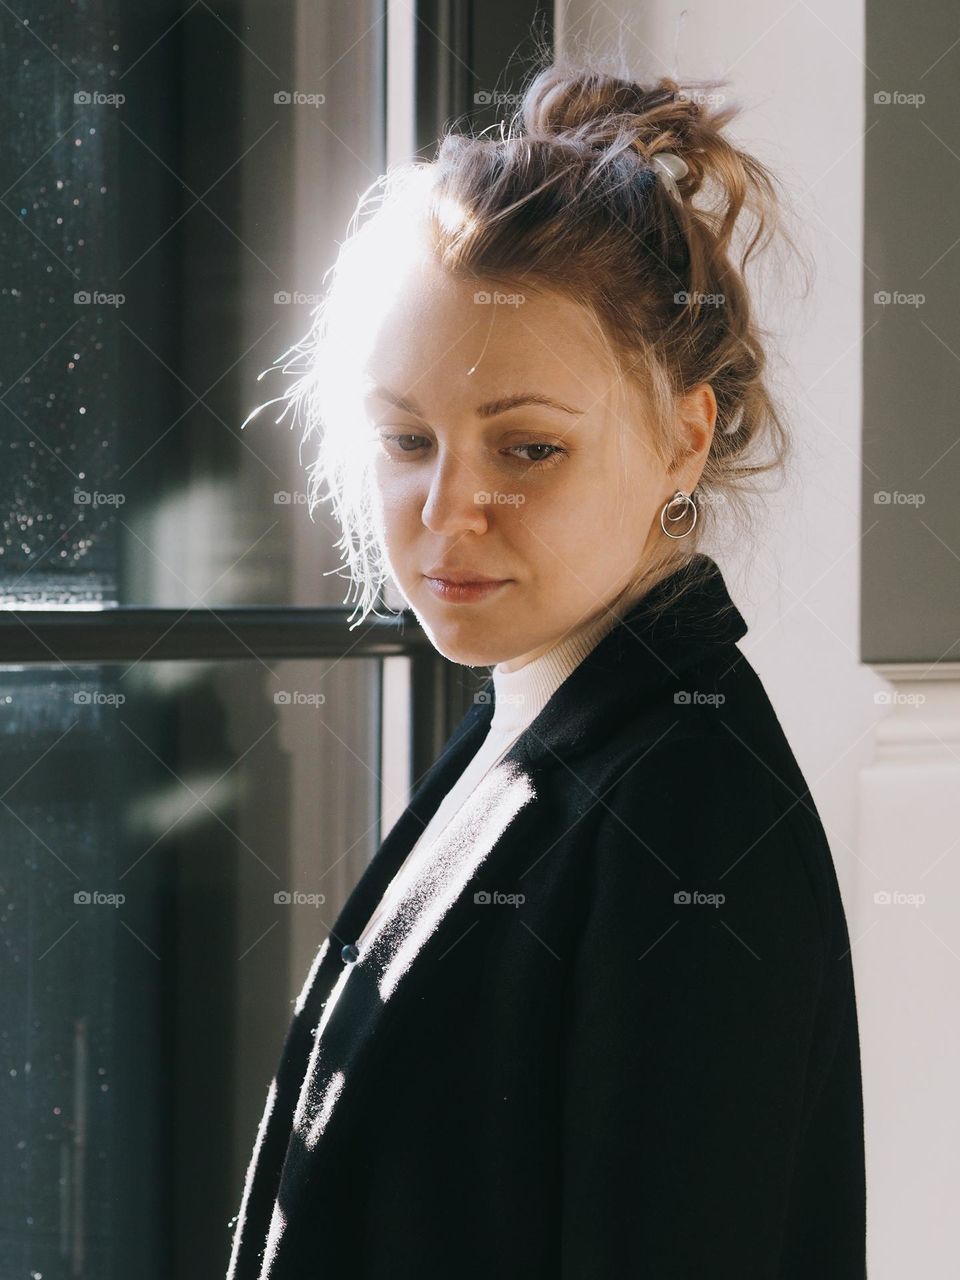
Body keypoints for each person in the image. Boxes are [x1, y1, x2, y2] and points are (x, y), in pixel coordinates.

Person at [227, 55, 866, 1280]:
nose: (447, 509)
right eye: (406, 438)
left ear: (683, 437)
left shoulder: (688, 814)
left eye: (528, 447)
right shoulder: (533, 730)